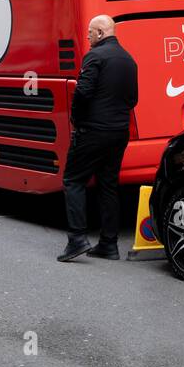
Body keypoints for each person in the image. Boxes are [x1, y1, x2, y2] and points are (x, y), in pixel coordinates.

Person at [58, 14, 139, 262]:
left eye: (90, 32)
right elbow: (133, 99)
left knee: (73, 180)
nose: (88, 36)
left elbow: (82, 92)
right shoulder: (129, 60)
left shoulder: (94, 57)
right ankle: (109, 244)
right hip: (119, 132)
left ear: (101, 33)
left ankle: (77, 239)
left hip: (93, 131)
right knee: (108, 185)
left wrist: (77, 119)